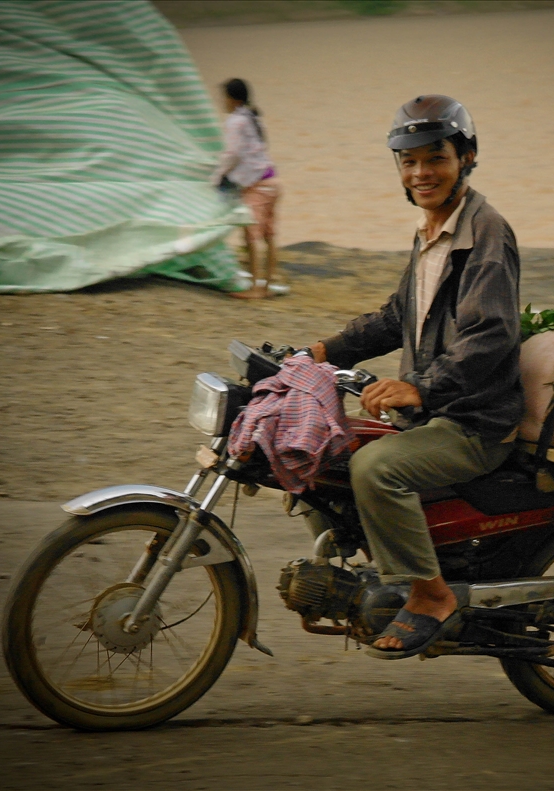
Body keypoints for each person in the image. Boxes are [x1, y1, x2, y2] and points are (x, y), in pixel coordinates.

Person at [308, 95, 523, 658]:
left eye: (435, 158)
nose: (420, 172)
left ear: (466, 157)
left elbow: (490, 335)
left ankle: (430, 596)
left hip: (474, 421)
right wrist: (322, 351)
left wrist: (419, 386)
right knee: (317, 449)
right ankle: (376, 571)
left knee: (375, 469)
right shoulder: (432, 232)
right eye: (408, 161)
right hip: (433, 414)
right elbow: (395, 318)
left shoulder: (486, 232)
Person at [211, 78, 284, 299]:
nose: (222, 101)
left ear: (233, 99)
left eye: (224, 96)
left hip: (257, 186)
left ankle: (256, 288)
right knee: (269, 236)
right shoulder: (253, 117)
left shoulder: (235, 121)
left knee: (251, 237)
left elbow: (232, 154)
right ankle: (267, 285)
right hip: (273, 181)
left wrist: (218, 175)